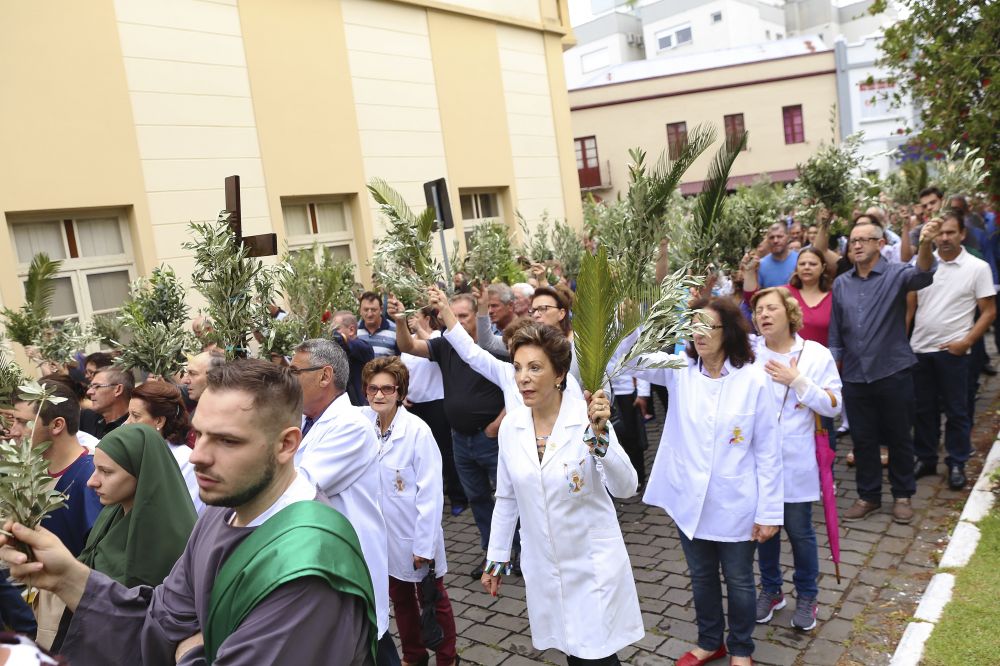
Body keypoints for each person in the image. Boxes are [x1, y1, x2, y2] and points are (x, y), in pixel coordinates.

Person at [0, 359, 377, 665]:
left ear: (286, 444)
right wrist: (68, 577)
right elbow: (160, 622)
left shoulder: (309, 570)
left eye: (227, 440)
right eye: (201, 435)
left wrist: (190, 652)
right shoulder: (222, 510)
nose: (198, 456)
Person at [622, 297, 783, 666]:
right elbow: (628, 361)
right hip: (690, 500)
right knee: (701, 576)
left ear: (728, 332)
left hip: (736, 502)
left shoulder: (754, 379)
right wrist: (631, 323)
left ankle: (741, 647)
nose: (698, 333)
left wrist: (770, 512)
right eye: (693, 326)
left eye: (707, 326)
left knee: (740, 581)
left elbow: (768, 452)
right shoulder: (680, 369)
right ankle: (711, 641)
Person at [480, 323, 643, 665]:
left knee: (597, 656)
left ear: (560, 373)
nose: (523, 377)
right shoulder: (512, 426)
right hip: (544, 565)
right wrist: (496, 557)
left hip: (591, 565)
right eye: (518, 368)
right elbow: (508, 497)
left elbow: (627, 487)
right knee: (572, 652)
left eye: (535, 367)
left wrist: (601, 441)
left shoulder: (586, 419)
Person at [829, 218, 940, 524]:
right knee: (863, 440)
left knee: (899, 437)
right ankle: (868, 497)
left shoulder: (896, 274)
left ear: (880, 244)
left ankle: (903, 496)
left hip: (893, 371)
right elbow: (836, 333)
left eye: (864, 240)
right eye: (853, 241)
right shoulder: (841, 283)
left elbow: (924, 274)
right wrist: (831, 369)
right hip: (854, 375)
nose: (858, 245)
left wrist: (926, 243)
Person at [289, 339, 392, 663]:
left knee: (370, 647)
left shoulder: (351, 426)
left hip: (348, 556)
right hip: (320, 555)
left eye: (295, 372)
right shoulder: (305, 422)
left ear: (324, 375)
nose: (288, 380)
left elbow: (299, 486)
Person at [392, 293, 506, 577]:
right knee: (478, 498)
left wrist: (497, 424)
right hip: (461, 439)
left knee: (507, 497)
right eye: (448, 315)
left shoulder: (490, 347)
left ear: (478, 318)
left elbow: (514, 389)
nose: (453, 320)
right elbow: (408, 345)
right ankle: (491, 554)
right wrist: (399, 321)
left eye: (463, 316)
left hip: (490, 437)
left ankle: (518, 550)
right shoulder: (444, 346)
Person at [749, 288, 842, 632]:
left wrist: (798, 381)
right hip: (757, 464)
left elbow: (835, 405)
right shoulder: (747, 353)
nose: (764, 315)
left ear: (790, 313)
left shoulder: (815, 355)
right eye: (759, 310)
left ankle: (808, 595)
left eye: (771, 308)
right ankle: (771, 590)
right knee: (764, 531)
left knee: (800, 533)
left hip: (797, 462)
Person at [360, 357, 457, 666]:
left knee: (433, 598)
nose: (378, 395)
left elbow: (430, 494)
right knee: (400, 599)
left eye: (387, 389)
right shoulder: (366, 427)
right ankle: (414, 656)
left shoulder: (417, 432)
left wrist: (424, 545)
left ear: (400, 392)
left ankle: (447, 657)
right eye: (372, 388)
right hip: (385, 537)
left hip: (416, 535)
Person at [909, 211, 996, 490]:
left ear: (962, 234)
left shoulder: (977, 267)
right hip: (920, 349)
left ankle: (957, 463)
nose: (945, 238)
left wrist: (967, 342)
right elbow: (909, 306)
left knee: (957, 411)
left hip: (955, 352)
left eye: (950, 233)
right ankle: (926, 459)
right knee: (924, 410)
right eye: (940, 233)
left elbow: (989, 311)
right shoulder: (921, 264)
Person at [78, 424, 197, 586]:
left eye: (106, 472)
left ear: (141, 471)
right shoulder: (112, 514)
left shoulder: (169, 538)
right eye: (95, 468)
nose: (92, 482)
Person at [401, 306, 468, 516]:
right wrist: (403, 395)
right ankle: (429, 496)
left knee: (444, 451)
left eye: (417, 317)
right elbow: (404, 370)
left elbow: (432, 347)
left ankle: (457, 496)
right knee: (418, 453)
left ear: (428, 319)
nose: (413, 320)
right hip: (414, 404)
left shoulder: (439, 336)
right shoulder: (409, 341)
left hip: (437, 401)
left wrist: (421, 329)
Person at [127, 381, 204, 513]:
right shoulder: (133, 452)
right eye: (129, 415)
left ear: (159, 421)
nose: (127, 423)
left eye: (135, 416)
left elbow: (186, 516)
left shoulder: (185, 461)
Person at [743, 247, 833, 346]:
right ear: (796, 267)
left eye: (813, 264)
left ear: (823, 268)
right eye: (802, 264)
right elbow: (751, 300)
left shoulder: (834, 297)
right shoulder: (784, 293)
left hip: (822, 359)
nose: (807, 267)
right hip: (786, 358)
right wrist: (749, 272)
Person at [330, 310, 376, 406]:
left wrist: (338, 337)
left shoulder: (363, 347)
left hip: (361, 404)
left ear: (351, 330)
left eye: (337, 328)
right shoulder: (340, 348)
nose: (333, 332)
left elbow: (345, 343)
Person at [80, 367, 132, 439]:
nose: (89, 392)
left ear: (118, 390)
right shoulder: (86, 418)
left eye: (97, 386)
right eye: (91, 386)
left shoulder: (133, 429)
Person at [756, 223, 799, 288]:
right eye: (771, 238)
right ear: (767, 240)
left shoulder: (799, 260)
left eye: (779, 236)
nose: (775, 241)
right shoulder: (761, 265)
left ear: (788, 237)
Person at [358, 291, 399, 358]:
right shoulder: (354, 331)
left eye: (373, 310)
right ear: (360, 311)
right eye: (366, 310)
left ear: (381, 310)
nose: (369, 314)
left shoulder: (395, 330)